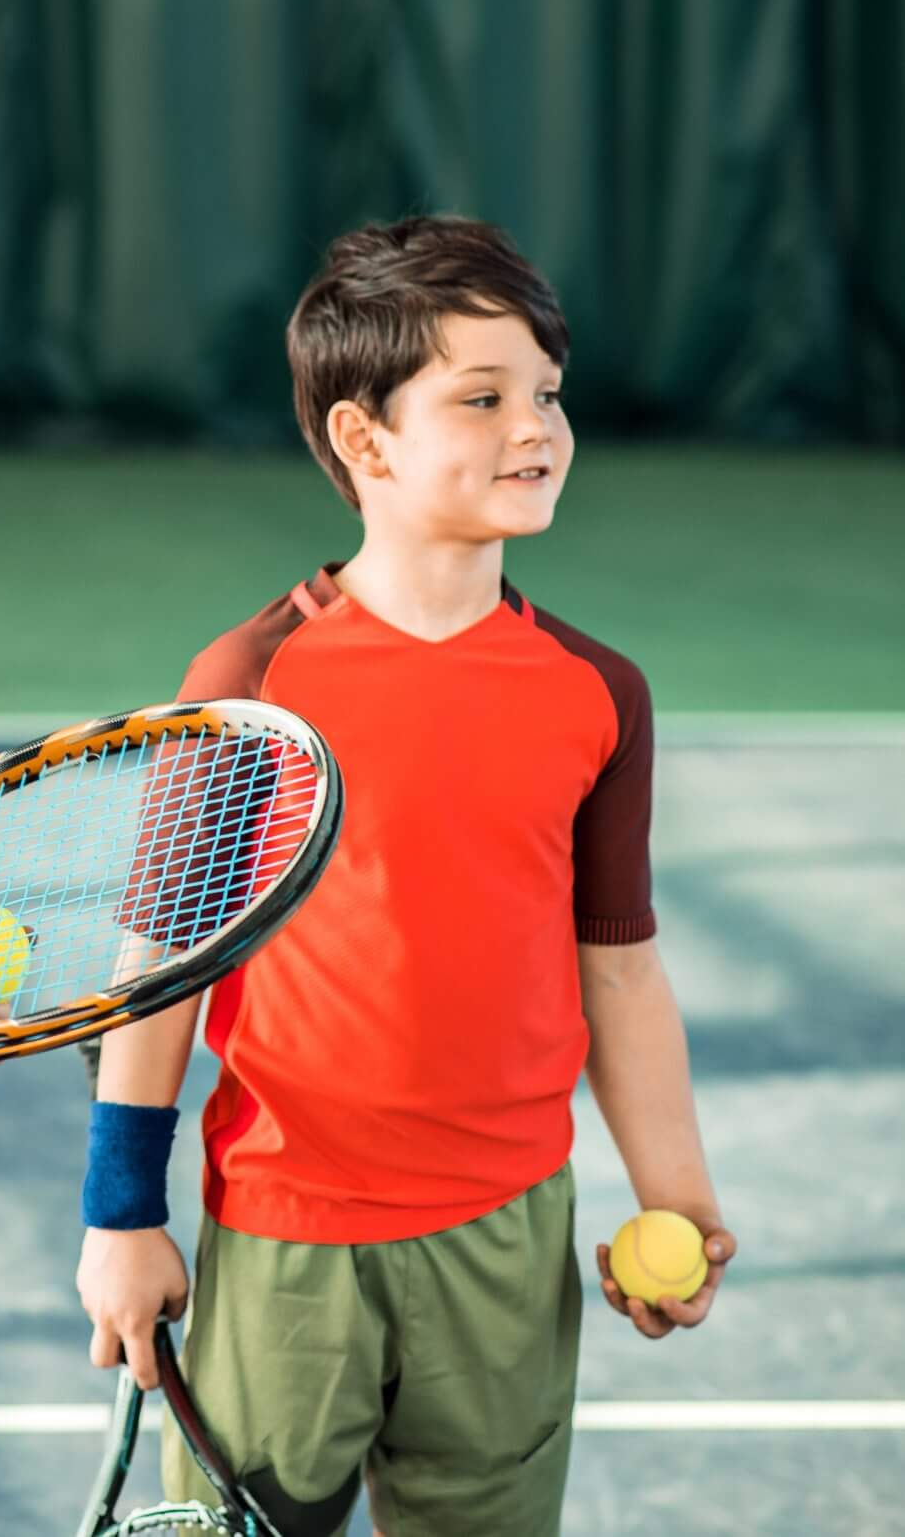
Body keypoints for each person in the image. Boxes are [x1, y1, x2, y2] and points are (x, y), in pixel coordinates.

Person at [76, 216, 736, 1536]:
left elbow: (618, 962)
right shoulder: (250, 683)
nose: (534, 426)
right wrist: (120, 1217)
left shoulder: (598, 693)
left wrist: (678, 1195)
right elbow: (157, 964)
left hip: (508, 1235)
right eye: (481, 397)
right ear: (363, 439)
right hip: (284, 1234)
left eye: (546, 392)